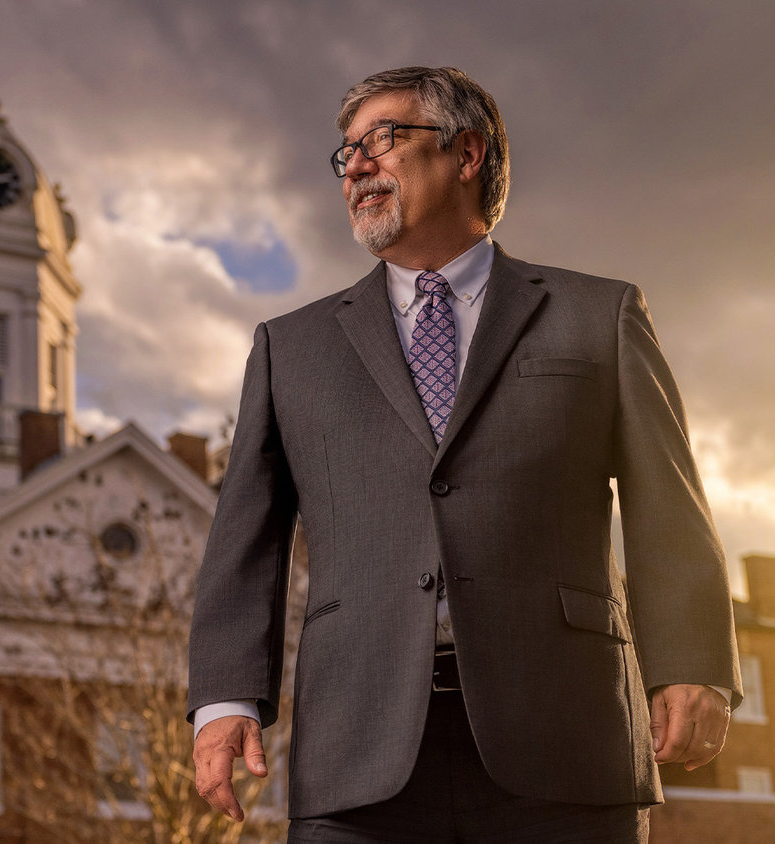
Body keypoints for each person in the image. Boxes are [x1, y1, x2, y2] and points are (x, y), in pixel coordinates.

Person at [186, 66, 741, 842]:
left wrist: (692, 661)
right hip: (358, 751)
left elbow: (669, 505)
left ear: (467, 153)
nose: (356, 165)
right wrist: (224, 701)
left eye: (383, 139)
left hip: (565, 743)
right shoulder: (291, 349)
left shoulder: (597, 315)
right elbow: (243, 540)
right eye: (345, 151)